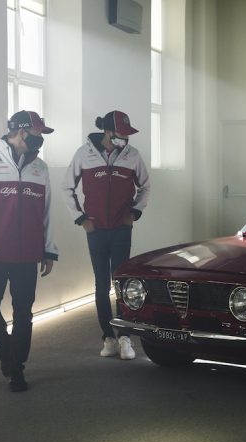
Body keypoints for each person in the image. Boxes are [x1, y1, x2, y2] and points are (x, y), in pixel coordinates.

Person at [0, 110, 58, 392]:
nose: (40, 139)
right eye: (37, 134)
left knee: (23, 313)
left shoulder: (40, 168)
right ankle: (4, 347)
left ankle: (17, 368)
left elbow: (47, 212)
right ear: (21, 132)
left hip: (28, 255)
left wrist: (49, 250)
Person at [62, 110, 150, 360]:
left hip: (122, 229)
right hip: (96, 231)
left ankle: (125, 338)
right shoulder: (84, 154)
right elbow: (67, 187)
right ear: (108, 132)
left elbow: (145, 186)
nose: (126, 138)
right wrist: (81, 219)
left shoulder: (132, 155)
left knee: (121, 284)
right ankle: (108, 338)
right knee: (101, 286)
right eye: (123, 133)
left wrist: (134, 212)